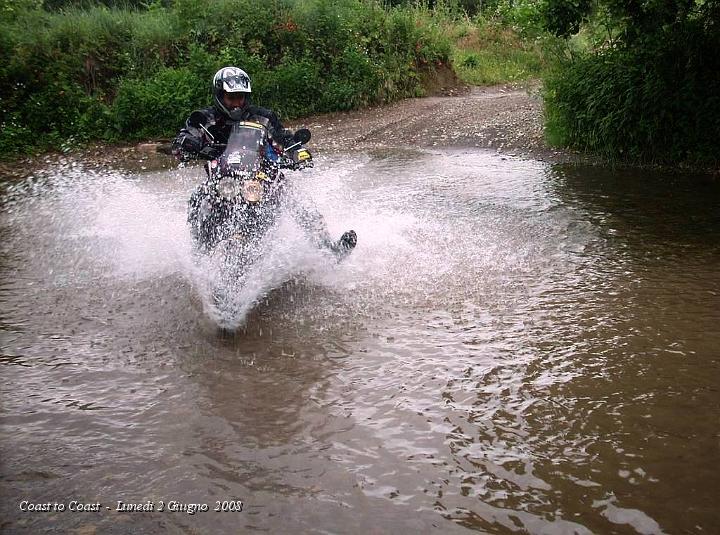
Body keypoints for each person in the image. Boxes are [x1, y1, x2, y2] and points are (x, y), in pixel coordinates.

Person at [173, 66, 356, 260]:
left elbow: (285, 139)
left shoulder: (263, 117)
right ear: (219, 95)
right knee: (197, 198)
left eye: (240, 97)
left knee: (297, 199)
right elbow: (186, 136)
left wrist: (298, 153)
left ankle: (328, 248)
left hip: (263, 174)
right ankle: (198, 254)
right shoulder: (203, 119)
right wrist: (187, 143)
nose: (236, 103)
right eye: (231, 97)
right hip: (224, 178)